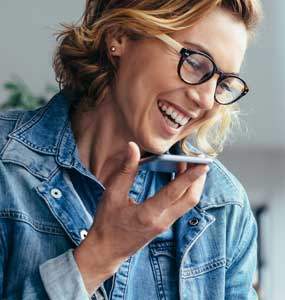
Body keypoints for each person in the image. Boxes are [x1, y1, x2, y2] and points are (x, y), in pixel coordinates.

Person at [0, 0, 263, 299]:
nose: (206, 100)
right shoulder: (6, 167)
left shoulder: (224, 208)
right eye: (194, 61)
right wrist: (100, 256)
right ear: (120, 35)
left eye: (224, 84)